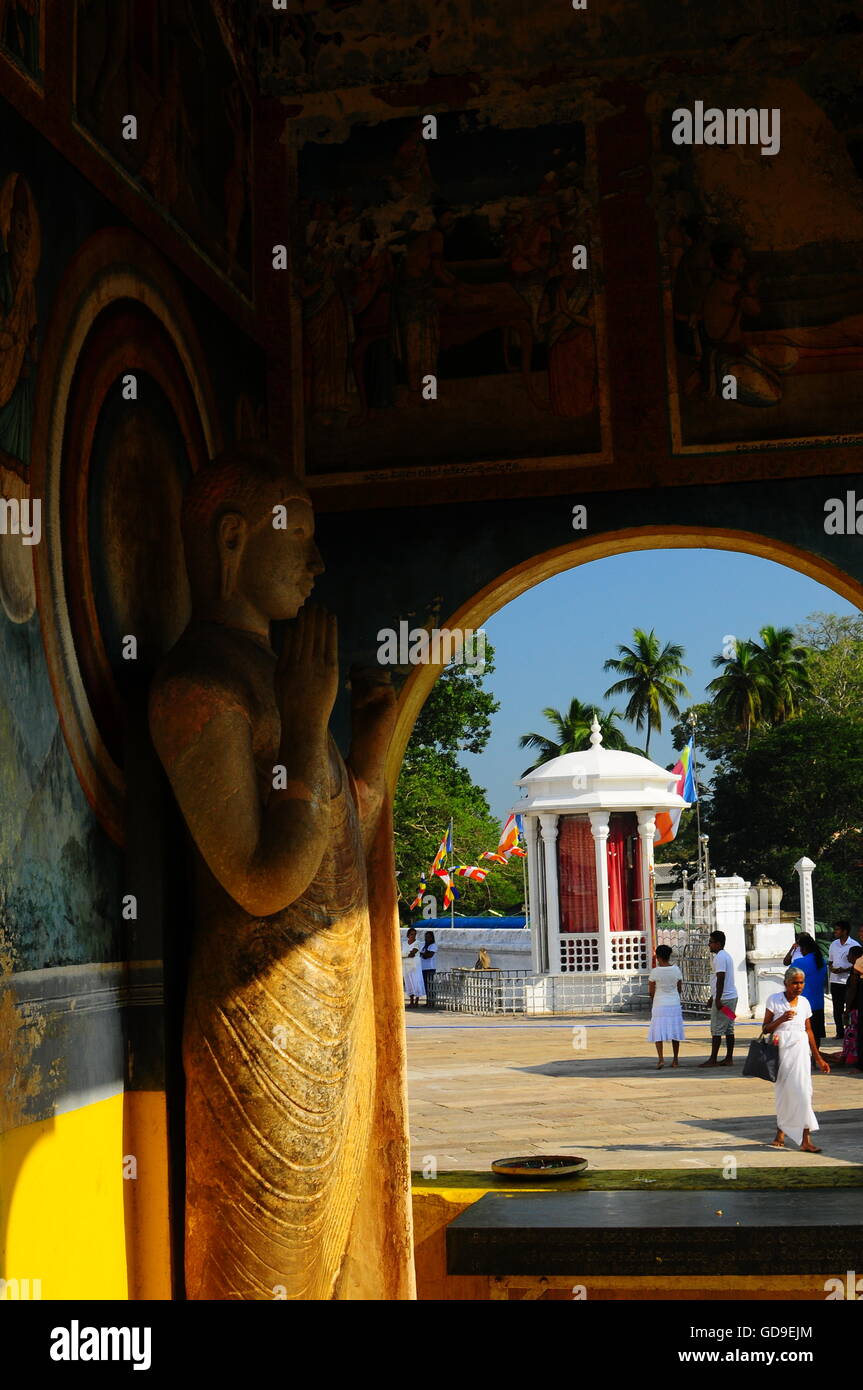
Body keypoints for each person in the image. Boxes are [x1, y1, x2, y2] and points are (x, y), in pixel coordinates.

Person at [762, 967, 830, 1152]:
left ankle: (805, 1139)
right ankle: (781, 1132)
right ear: (786, 983)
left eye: (801, 983)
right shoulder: (774, 1000)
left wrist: (818, 1057)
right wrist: (782, 1019)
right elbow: (766, 1028)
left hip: (800, 1050)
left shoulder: (805, 1003)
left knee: (803, 1092)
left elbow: (809, 1031)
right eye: (795, 983)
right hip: (781, 1050)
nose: (798, 986)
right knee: (784, 1092)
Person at [701, 930, 738, 1067]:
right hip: (731, 997)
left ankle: (713, 1059)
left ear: (718, 943)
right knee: (729, 1028)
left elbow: (720, 978)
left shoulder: (720, 957)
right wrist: (713, 996)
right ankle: (729, 1058)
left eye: (711, 942)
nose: (709, 945)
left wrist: (717, 999)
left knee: (716, 1029)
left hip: (724, 1000)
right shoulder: (725, 956)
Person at [821, 946, 863, 1066]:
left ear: (855, 956)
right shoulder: (854, 970)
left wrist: (847, 1008)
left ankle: (851, 1058)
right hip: (856, 1007)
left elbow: (852, 989)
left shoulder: (856, 971)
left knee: (852, 1034)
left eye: (849, 954)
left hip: (855, 1008)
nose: (847, 957)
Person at [647, 943, 685, 1068]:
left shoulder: (655, 972)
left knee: (658, 1032)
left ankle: (661, 1059)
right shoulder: (676, 970)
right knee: (675, 1031)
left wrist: (655, 999)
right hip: (674, 1004)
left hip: (659, 1004)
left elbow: (651, 991)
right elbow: (679, 988)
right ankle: (675, 1060)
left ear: (658, 957)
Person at [786, 933, 828, 1043]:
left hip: (802, 1004)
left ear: (803, 948)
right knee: (816, 1035)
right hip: (818, 1003)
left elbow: (788, 978)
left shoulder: (799, 962)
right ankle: (814, 1057)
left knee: (801, 1036)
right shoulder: (822, 961)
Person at [828, 921, 861, 1040]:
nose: (835, 932)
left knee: (851, 1007)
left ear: (845, 931)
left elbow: (859, 965)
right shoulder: (833, 944)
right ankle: (840, 1033)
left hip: (850, 981)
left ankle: (852, 1032)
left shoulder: (854, 945)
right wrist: (832, 968)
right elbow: (830, 961)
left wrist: (844, 969)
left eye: (837, 929)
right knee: (837, 1008)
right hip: (835, 981)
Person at [403, 926, 425, 1007]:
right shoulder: (404, 943)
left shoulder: (418, 943)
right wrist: (406, 954)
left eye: (415, 934)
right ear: (408, 935)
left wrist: (403, 955)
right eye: (412, 934)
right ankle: (411, 1001)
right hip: (406, 966)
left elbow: (412, 953)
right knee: (409, 983)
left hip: (415, 966)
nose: (413, 936)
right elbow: (402, 953)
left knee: (416, 982)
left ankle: (416, 1002)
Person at [419, 929, 437, 1007]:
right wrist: (424, 954)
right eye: (426, 937)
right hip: (423, 968)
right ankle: (428, 1001)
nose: (427, 939)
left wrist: (422, 954)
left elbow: (429, 956)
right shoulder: (423, 945)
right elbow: (422, 954)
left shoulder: (433, 945)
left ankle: (432, 1002)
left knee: (431, 986)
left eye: (429, 937)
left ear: (432, 938)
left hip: (430, 968)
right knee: (426, 986)